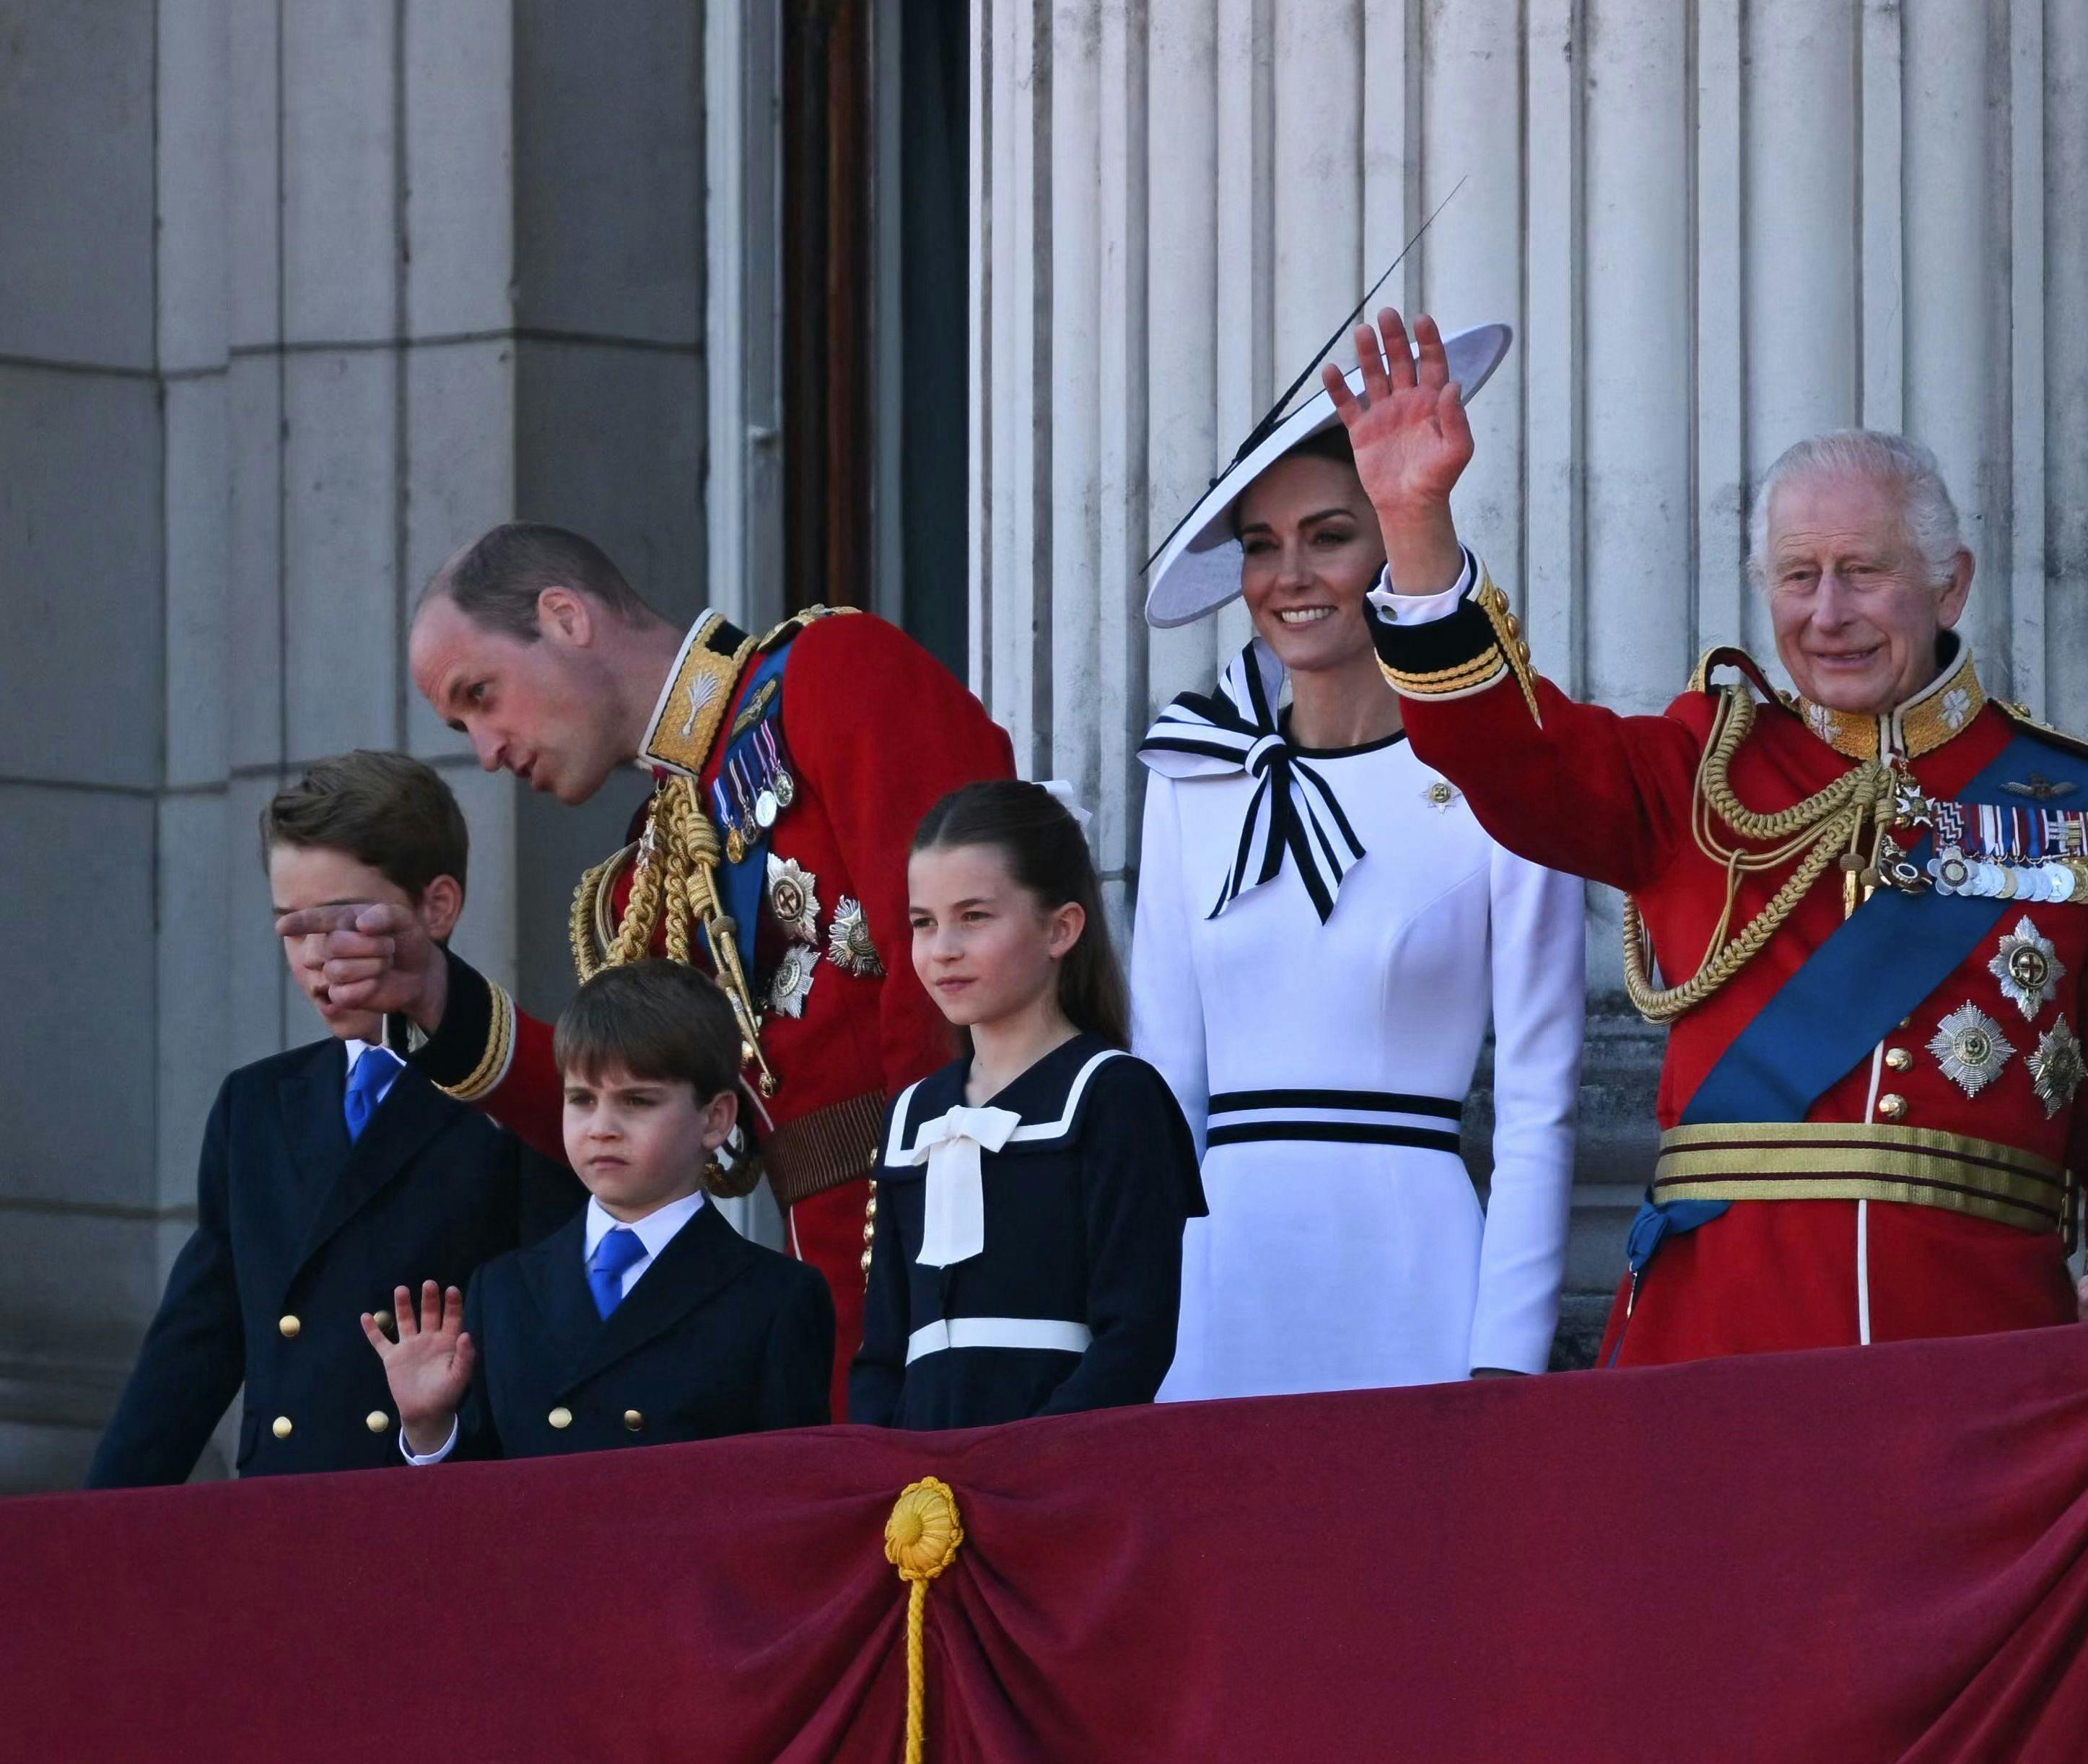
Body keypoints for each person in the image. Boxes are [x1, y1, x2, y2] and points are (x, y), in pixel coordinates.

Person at [1327, 309, 2088, 1362]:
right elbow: (1509, 756)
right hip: (1717, 1345)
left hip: (1984, 1348)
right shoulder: (1702, 766)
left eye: (1862, 572)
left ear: (1949, 583)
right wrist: (1415, 523)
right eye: (1798, 577)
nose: (1826, 612)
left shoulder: (2083, 811)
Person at [274, 524, 1013, 1418]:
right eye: (462, 725)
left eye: (483, 695)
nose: (487, 750)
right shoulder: (648, 874)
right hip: (825, 1321)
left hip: (974, 1254)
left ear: (565, 617)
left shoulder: (830, 672)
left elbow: (959, 973)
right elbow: (622, 1109)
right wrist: (431, 994)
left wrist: (937, 1237)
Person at [1131, 321, 1585, 1400]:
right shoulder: (1191, 772)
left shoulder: (1502, 776)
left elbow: (1538, 1099)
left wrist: (1504, 1358)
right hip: (1219, 1282)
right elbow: (1161, 1087)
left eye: (1327, 535)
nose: (1288, 576)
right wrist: (1138, 1334)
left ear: (1390, 543)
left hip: (1415, 1270)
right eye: (1259, 543)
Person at [87, 754, 577, 1486]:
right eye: (293, 929)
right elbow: (194, 1344)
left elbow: (548, 1356)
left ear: (436, 907)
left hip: (437, 1516)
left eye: (346, 921)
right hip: (284, 1515)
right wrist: (93, 1530)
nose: (318, 959)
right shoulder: (255, 1104)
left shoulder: (512, 1102)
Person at [368, 960, 833, 1460]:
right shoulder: (503, 1289)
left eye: (636, 1102)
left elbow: (787, 1499)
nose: (601, 1127)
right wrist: (430, 1428)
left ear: (715, 1118)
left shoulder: (775, 1298)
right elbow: (480, 1498)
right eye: (582, 1100)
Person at [851, 781, 1203, 1428]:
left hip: (1060, 1468)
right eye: (923, 923)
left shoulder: (1113, 1095)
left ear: (1060, 928)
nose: (943, 950)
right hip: (919, 1495)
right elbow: (882, 1351)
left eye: (974, 917)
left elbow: (1136, 1337)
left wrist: (1030, 1460)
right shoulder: (912, 1116)